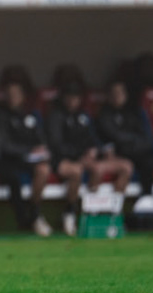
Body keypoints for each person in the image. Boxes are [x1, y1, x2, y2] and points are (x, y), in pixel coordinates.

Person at [46, 85, 133, 235]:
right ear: (64, 98)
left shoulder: (84, 116)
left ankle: (114, 213)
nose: (73, 101)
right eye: (70, 97)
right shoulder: (56, 116)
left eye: (76, 97)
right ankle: (77, 214)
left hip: (89, 157)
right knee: (91, 170)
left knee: (126, 166)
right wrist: (81, 154)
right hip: (67, 159)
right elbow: (56, 144)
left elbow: (94, 137)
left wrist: (102, 149)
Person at [0, 79, 53, 235]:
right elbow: (3, 145)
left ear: (23, 97)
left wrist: (40, 148)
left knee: (43, 170)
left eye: (16, 94)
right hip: (8, 160)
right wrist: (27, 151)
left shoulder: (31, 116)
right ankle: (22, 220)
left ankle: (35, 213)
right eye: (10, 94)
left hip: (29, 160)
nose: (13, 97)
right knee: (13, 178)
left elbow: (41, 138)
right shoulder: (0, 116)